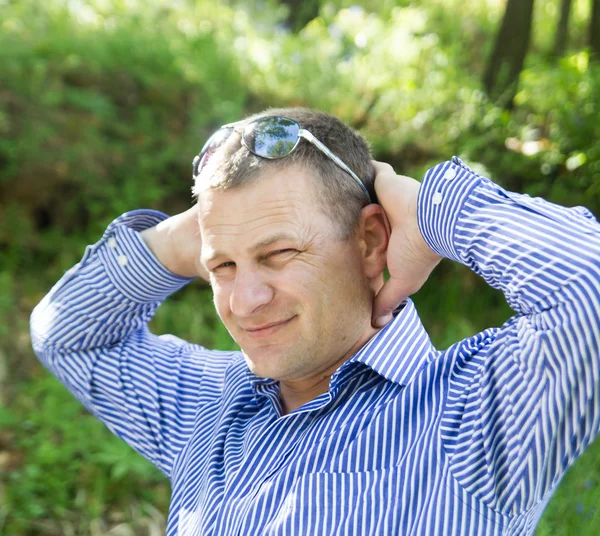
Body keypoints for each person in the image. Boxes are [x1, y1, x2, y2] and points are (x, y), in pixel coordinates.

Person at [30, 107, 600, 535]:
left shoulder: (480, 411)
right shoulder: (210, 407)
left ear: (372, 240)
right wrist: (178, 241)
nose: (245, 299)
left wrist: (427, 207)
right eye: (223, 266)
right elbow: (69, 335)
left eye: (279, 254)